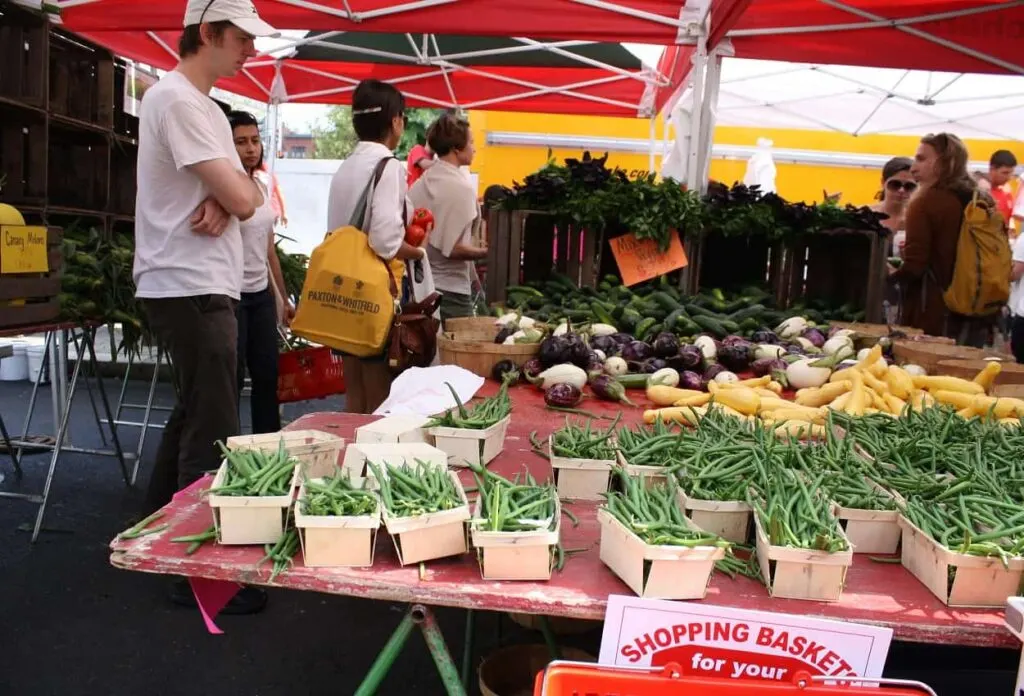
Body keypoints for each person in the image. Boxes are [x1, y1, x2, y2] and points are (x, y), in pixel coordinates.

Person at [133, 0, 276, 612]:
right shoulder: (183, 101)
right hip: (191, 284)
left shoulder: (197, 104)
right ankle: (195, 574)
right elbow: (243, 194)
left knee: (195, 412)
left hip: (193, 283)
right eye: (241, 38)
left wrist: (229, 196)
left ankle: (154, 540)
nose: (251, 49)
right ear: (208, 33)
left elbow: (239, 192)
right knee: (213, 428)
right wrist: (232, 196)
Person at [326, 80, 428, 414]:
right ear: (396, 121)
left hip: (343, 293)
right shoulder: (387, 167)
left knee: (354, 395)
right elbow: (384, 240)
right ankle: (372, 464)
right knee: (380, 400)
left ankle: (349, 463)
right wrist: (416, 251)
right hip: (373, 296)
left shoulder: (347, 165)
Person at [890, 133, 992, 346]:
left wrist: (892, 273)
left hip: (935, 310)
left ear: (944, 161)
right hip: (978, 306)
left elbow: (915, 267)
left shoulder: (926, 202)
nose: (913, 168)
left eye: (921, 158)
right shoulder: (980, 198)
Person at [229, 110, 295, 434]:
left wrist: (283, 297)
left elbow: (270, 250)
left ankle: (267, 448)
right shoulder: (225, 185)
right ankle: (226, 454)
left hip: (260, 296)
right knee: (229, 381)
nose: (251, 148)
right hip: (231, 296)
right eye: (241, 142)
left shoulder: (262, 184)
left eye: (254, 140)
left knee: (268, 377)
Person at [408, 113, 488, 322]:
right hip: (451, 293)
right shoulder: (460, 188)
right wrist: (486, 253)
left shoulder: (422, 183)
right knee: (453, 354)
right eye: (470, 142)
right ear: (456, 148)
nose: (474, 148)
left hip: (418, 287)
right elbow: (452, 248)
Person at [988, 150, 1018, 232]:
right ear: (992, 169)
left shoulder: (1007, 191)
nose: (1009, 177)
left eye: (1011, 173)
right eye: (1005, 173)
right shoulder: (982, 193)